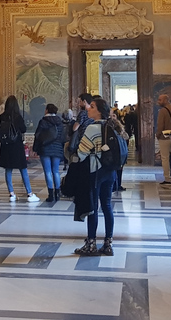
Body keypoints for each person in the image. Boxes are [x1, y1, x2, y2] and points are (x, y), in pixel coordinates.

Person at [74, 98, 118, 256]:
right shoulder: (112, 125)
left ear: (99, 111)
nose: (88, 109)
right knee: (107, 206)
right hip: (110, 171)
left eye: (92, 107)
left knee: (93, 207)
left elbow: (81, 152)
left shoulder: (92, 128)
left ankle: (91, 243)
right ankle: (108, 243)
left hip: (95, 170)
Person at [0, 95, 40, 202]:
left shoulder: (2, 116)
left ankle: (11, 194)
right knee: (23, 169)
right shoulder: (18, 117)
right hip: (16, 145)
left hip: (6, 145)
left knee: (8, 170)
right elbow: (23, 129)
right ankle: (29, 193)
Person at [34, 104, 65, 202]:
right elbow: (63, 137)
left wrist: (35, 149)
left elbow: (38, 136)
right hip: (57, 149)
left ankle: (50, 194)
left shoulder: (43, 121)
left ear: (47, 110)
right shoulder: (59, 122)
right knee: (56, 171)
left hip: (45, 149)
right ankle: (57, 193)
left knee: (47, 172)